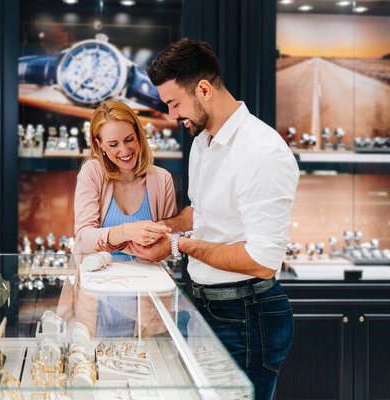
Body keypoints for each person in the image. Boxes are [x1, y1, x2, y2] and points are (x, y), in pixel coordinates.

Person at [130, 38, 299, 400]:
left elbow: (262, 261)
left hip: (248, 316)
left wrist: (176, 245)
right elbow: (200, 211)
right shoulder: (203, 142)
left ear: (203, 89)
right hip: (208, 305)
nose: (173, 116)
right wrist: (162, 229)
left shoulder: (262, 151)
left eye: (174, 103)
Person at [72, 100, 177, 337]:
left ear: (140, 136)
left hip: (148, 305)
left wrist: (164, 243)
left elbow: (170, 245)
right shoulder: (92, 173)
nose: (124, 150)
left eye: (129, 139)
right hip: (97, 304)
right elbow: (83, 238)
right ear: (99, 146)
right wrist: (128, 232)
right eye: (113, 144)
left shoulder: (162, 180)